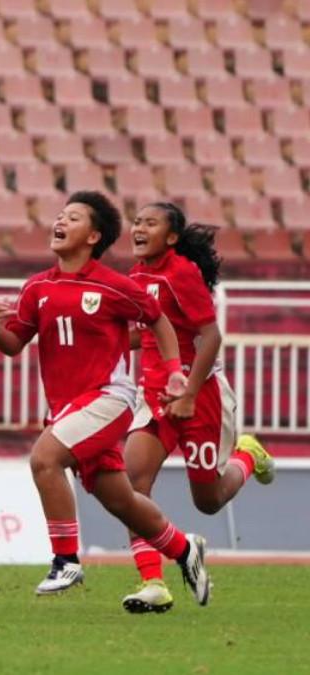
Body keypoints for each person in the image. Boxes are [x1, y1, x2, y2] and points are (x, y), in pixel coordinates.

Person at [0, 191, 211, 605]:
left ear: (93, 236)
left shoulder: (113, 286)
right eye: (59, 216)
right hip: (69, 406)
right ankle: (183, 548)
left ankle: (65, 560)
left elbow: (157, 319)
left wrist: (176, 371)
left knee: (44, 459)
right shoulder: (37, 288)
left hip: (109, 398)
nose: (60, 222)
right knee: (120, 500)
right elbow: (15, 344)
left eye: (72, 217)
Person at [119, 202, 274, 613]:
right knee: (132, 483)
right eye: (136, 221)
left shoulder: (180, 273)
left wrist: (188, 393)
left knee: (209, 500)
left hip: (199, 395)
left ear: (171, 237)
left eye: (150, 223)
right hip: (154, 395)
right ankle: (153, 582)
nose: (138, 228)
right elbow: (144, 334)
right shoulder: (135, 278)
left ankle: (247, 453)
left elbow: (210, 335)